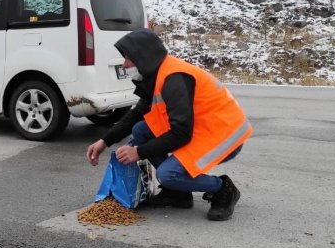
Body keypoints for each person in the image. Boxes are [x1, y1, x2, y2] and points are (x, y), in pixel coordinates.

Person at [86, 28, 253, 221]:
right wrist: (104, 142)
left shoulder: (174, 78)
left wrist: (138, 152)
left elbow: (181, 133)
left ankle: (223, 189)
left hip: (223, 136)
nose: (125, 65)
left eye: (128, 59)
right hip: (199, 129)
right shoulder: (157, 75)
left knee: (168, 175)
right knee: (141, 130)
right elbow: (136, 114)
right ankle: (178, 194)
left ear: (143, 57)